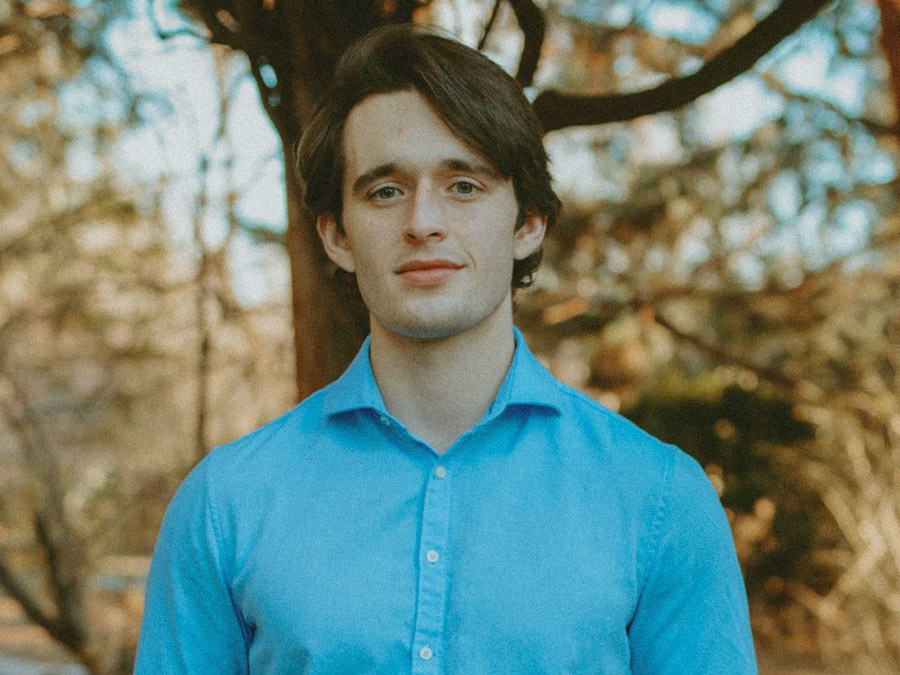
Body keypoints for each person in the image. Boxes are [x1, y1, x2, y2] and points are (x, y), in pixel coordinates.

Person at [135, 23, 758, 674]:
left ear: (527, 223)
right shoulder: (225, 504)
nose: (423, 221)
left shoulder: (658, 501)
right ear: (337, 236)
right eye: (385, 190)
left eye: (464, 185)